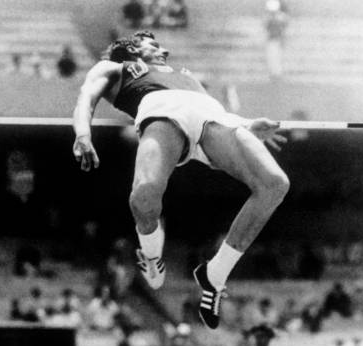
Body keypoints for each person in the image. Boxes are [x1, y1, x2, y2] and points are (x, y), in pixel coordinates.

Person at [72, 30, 289, 329]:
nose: (164, 49)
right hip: (162, 116)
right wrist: (83, 134)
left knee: (274, 184)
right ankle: (151, 256)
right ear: (131, 49)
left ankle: (215, 274)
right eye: (153, 44)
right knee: (144, 196)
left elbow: (209, 108)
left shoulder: (185, 74)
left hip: (214, 122)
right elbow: (86, 98)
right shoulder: (113, 68)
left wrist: (248, 124)